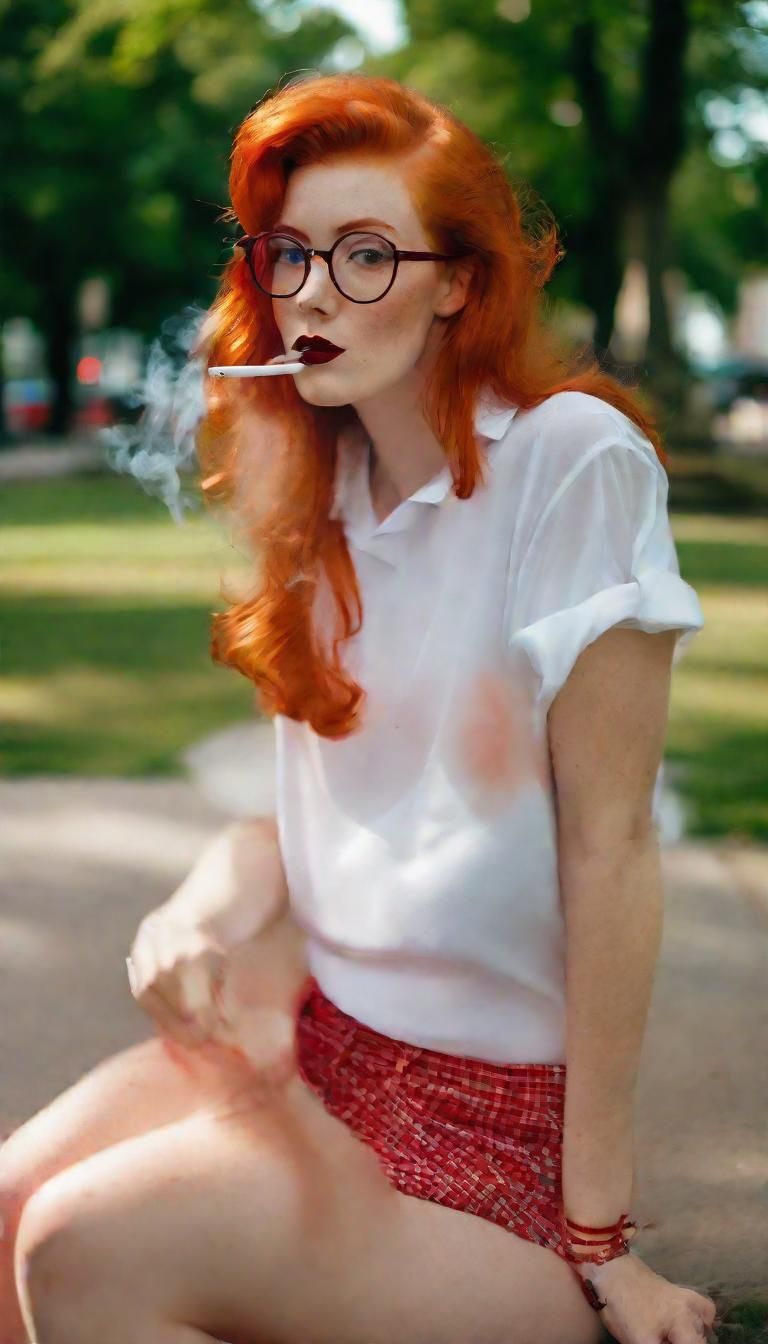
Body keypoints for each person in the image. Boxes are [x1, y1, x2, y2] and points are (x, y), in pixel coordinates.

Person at [1, 72, 718, 1344]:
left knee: (80, 1246)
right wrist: (195, 912)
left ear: (459, 283)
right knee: (6, 1211)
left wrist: (600, 1239)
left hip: (489, 1133)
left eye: (369, 254)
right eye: (291, 254)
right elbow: (309, 818)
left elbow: (612, 849)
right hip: (320, 1050)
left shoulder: (570, 462)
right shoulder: (319, 491)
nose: (315, 292)